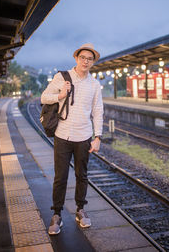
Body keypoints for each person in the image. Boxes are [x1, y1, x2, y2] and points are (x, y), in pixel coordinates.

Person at [41, 43, 104, 235]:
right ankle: (57, 214)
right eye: (83, 57)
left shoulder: (94, 85)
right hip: (63, 135)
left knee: (81, 175)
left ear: (93, 62)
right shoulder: (62, 77)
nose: (85, 61)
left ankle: (80, 209)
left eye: (89, 59)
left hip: (84, 137)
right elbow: (44, 97)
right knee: (60, 177)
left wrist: (98, 137)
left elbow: (97, 111)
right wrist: (61, 94)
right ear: (76, 58)